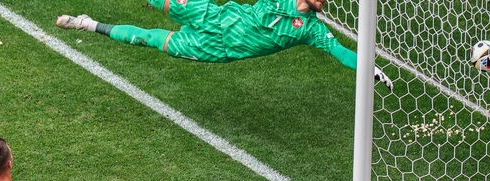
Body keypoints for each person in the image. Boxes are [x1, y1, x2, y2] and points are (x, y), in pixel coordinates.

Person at [56, 0, 394, 89]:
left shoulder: (311, 30)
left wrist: (370, 68)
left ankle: (87, 23)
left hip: (216, 49)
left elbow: (341, 53)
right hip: (213, 15)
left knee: (147, 38)